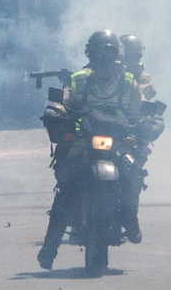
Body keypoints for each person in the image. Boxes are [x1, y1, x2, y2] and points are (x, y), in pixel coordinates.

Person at [38, 30, 146, 270]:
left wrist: (149, 122)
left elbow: (140, 111)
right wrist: (55, 110)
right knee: (65, 189)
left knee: (133, 175)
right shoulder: (78, 80)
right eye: (100, 52)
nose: (105, 57)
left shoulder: (129, 82)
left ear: (117, 53)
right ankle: (50, 247)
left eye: (109, 51)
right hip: (81, 142)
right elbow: (63, 101)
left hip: (117, 145)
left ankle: (131, 221)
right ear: (90, 54)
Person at [119, 34, 161, 240]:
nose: (131, 61)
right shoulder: (106, 71)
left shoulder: (141, 76)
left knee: (134, 173)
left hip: (131, 128)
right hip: (107, 124)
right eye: (128, 56)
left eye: (134, 57)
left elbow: (147, 93)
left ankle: (130, 219)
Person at [120, 34, 156, 101]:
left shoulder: (144, 77)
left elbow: (148, 92)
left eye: (135, 58)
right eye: (129, 58)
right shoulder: (113, 73)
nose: (133, 62)